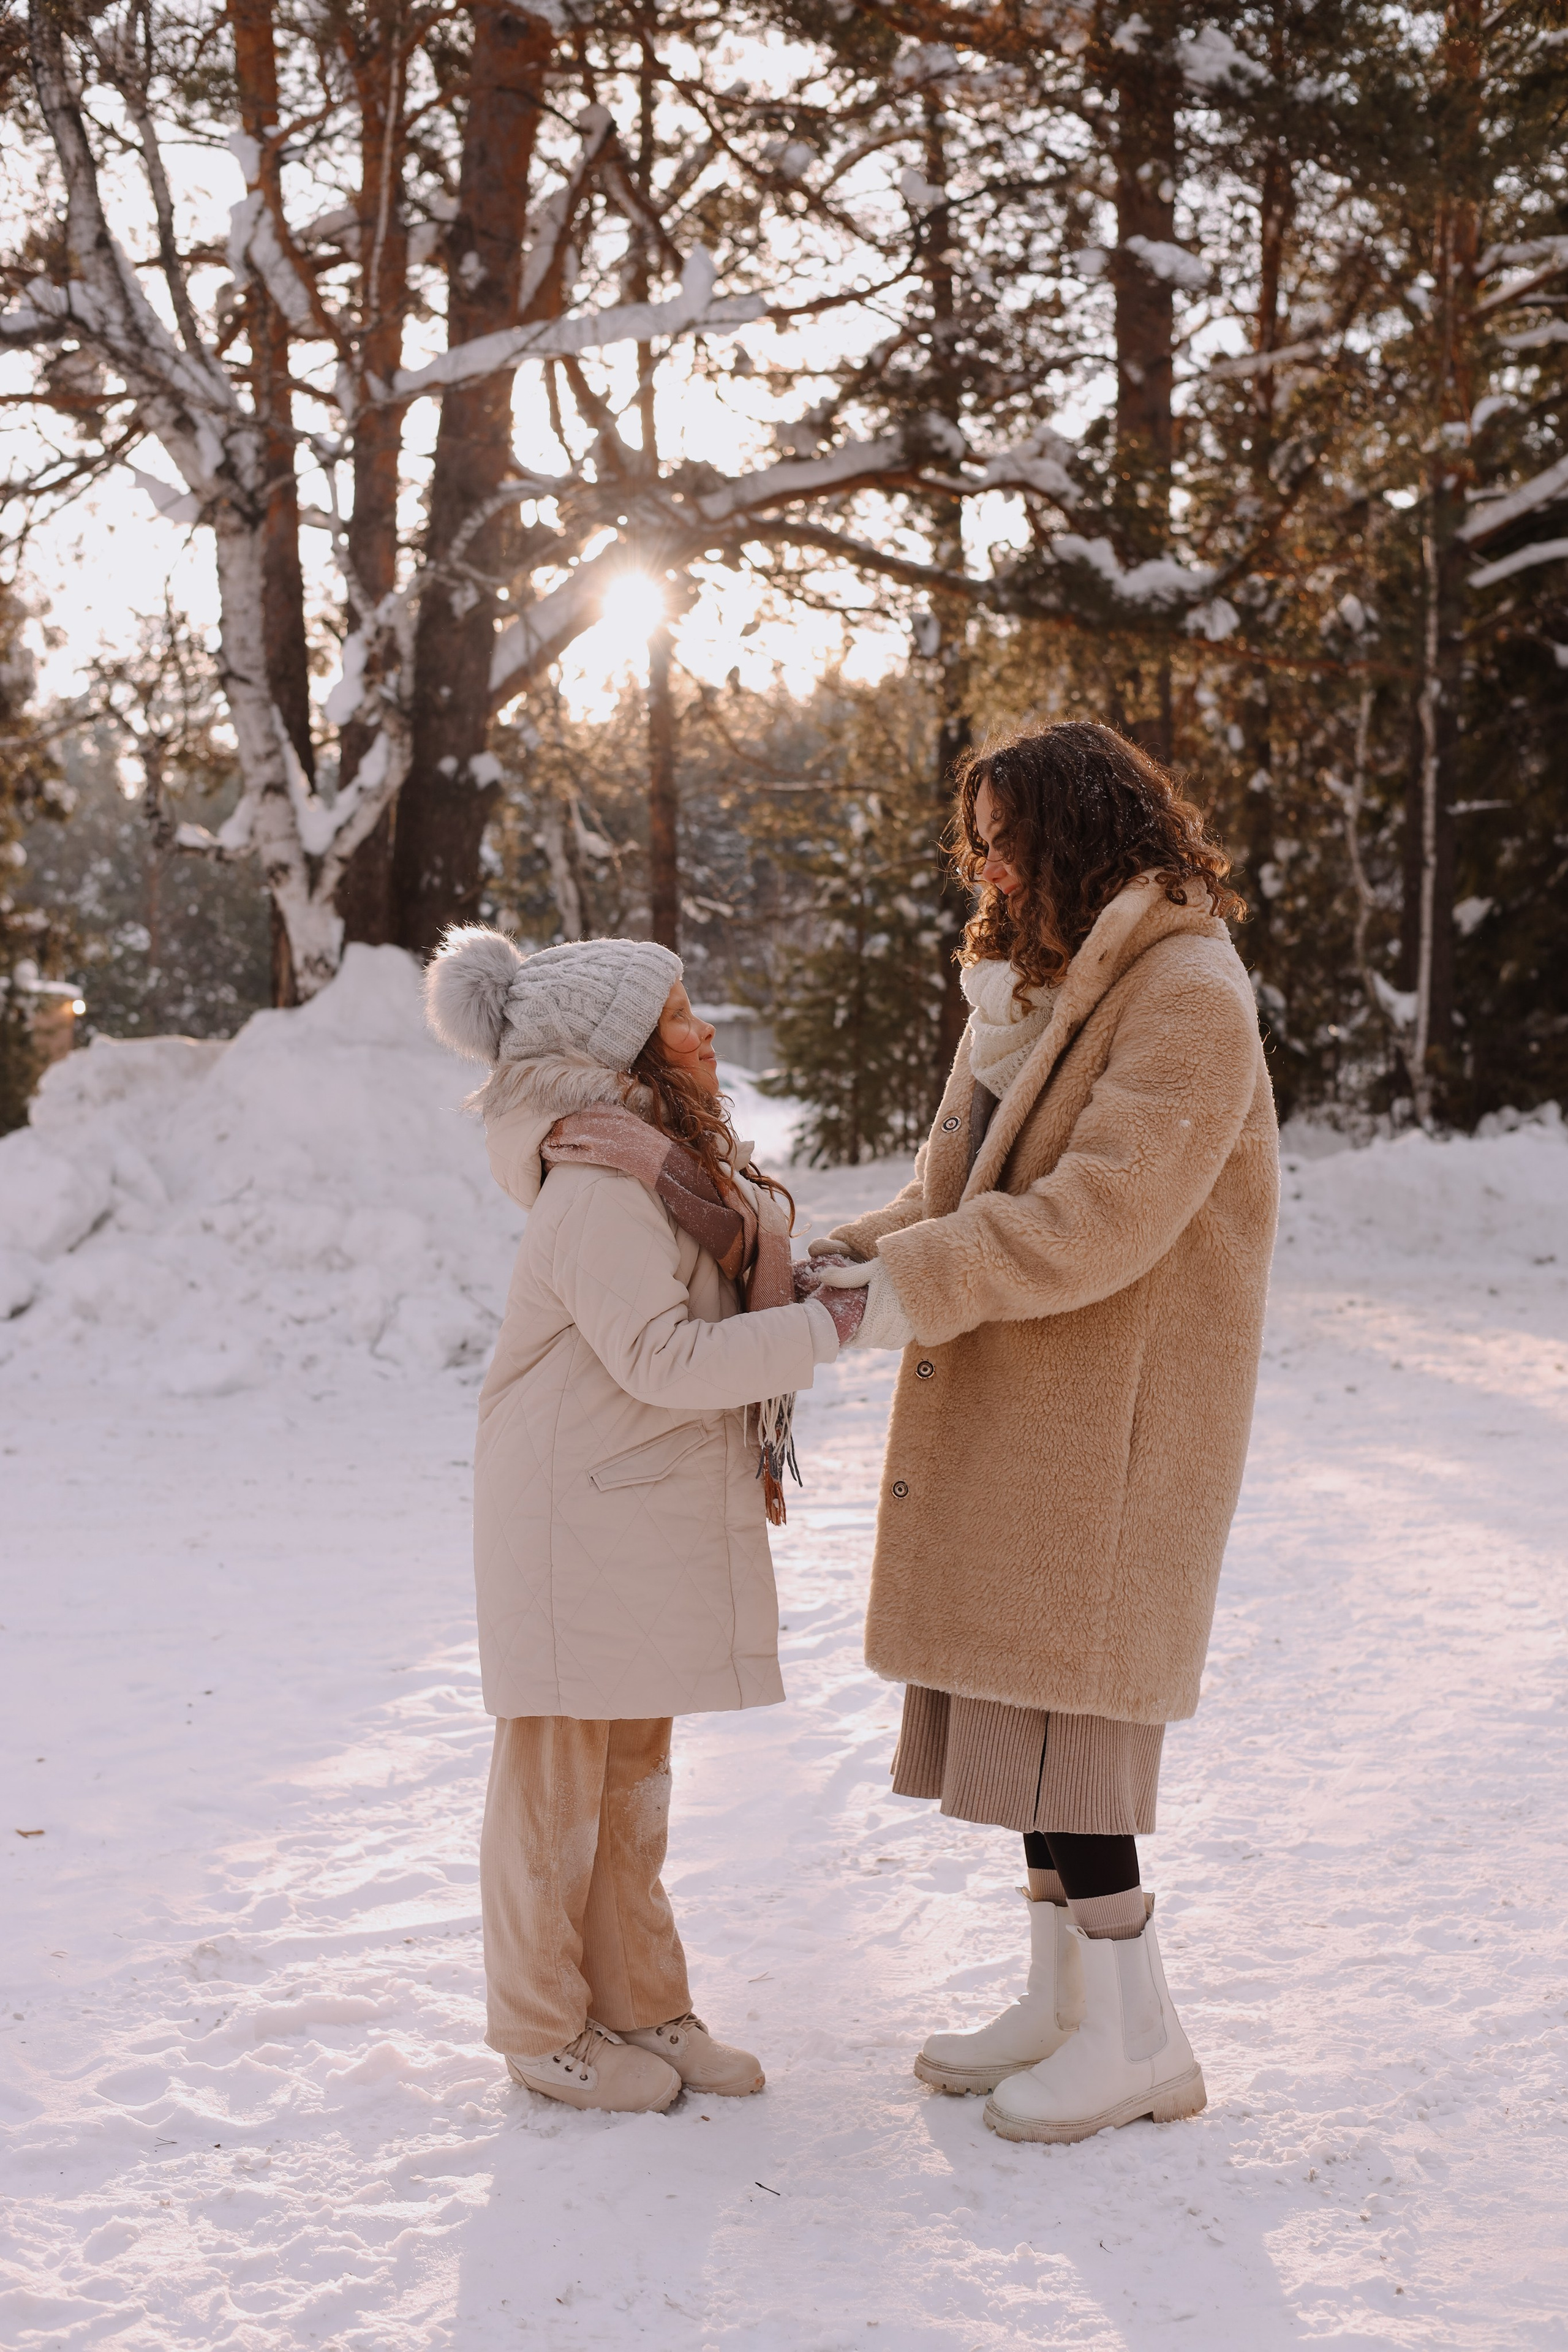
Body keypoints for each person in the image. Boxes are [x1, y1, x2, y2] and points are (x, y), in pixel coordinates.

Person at [800, 721, 1280, 2145]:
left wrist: (904, 1290)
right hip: (1032, 1407)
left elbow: (1100, 1214)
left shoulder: (1186, 992)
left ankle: (1139, 2037)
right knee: (1021, 1702)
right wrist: (841, 1254)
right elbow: (949, 1188)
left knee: (1076, 1728)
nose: (992, 866)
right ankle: (1062, 2000)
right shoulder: (1034, 993)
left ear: (1080, 830)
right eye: (982, 840)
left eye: (1010, 836)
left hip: (1115, 1425)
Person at [426, 930, 864, 2116]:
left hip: (623, 1506)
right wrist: (822, 1333)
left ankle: (640, 2004)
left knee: (632, 1787)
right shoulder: (597, 1189)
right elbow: (661, 1357)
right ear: (619, 1049)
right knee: (555, 1792)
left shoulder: (657, 1167)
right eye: (679, 1015)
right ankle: (539, 2028)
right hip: (574, 1520)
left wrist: (800, 1288)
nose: (704, 1031)